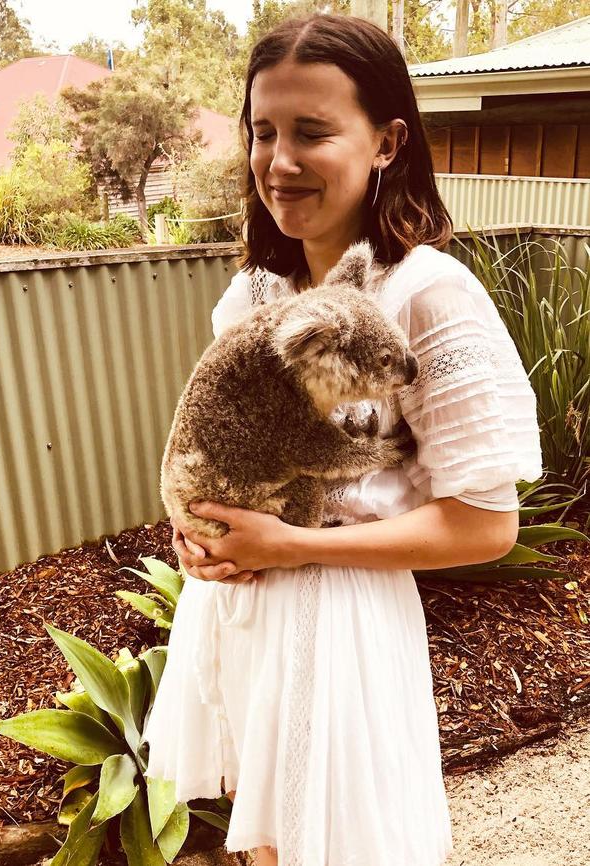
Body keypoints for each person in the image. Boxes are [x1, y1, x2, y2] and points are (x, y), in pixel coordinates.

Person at [143, 13, 542, 866]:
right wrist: (197, 535)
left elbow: (485, 524)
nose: (277, 163)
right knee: (264, 843)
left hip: (343, 629)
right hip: (239, 615)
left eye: (312, 133)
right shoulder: (254, 294)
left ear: (389, 141)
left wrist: (289, 545)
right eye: (262, 132)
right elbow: (228, 445)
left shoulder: (429, 297)